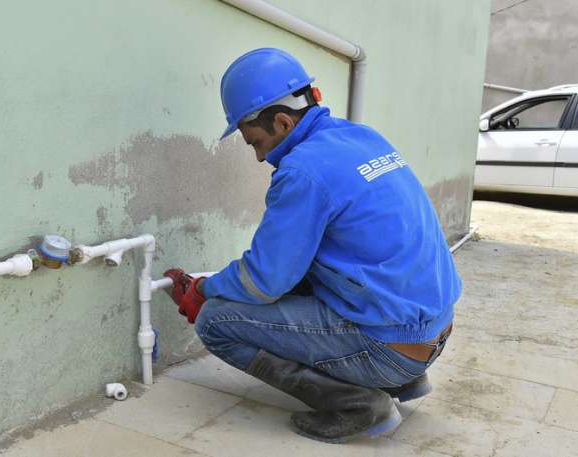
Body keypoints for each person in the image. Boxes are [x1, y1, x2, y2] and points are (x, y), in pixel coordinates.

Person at [164, 47, 461, 444]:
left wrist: (205, 289)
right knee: (306, 279)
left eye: (256, 142)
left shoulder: (302, 171)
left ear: (283, 122)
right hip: (434, 330)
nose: (259, 157)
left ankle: (360, 403)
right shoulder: (361, 137)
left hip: (391, 349)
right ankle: (403, 381)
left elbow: (264, 281)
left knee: (215, 321)